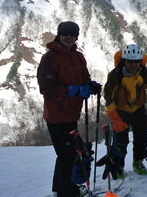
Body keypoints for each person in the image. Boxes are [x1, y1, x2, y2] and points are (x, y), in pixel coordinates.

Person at [37, 21, 102, 197]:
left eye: (73, 34)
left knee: (65, 156)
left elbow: (84, 78)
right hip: (57, 116)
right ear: (59, 35)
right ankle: (69, 192)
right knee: (69, 156)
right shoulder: (49, 58)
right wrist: (72, 90)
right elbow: (46, 89)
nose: (69, 37)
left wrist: (90, 85)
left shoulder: (78, 57)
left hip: (72, 113)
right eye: (65, 33)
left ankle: (59, 189)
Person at [102, 43, 147, 177]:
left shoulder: (145, 73)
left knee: (141, 136)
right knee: (120, 140)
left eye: (136, 62)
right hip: (120, 110)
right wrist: (114, 118)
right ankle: (118, 165)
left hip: (138, 109)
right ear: (124, 61)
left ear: (141, 61)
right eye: (129, 62)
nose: (133, 65)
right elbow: (108, 95)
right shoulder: (115, 74)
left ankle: (138, 161)